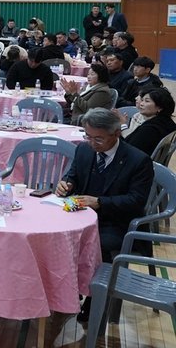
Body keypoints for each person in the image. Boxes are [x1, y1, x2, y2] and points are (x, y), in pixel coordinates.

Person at [57, 108, 154, 324]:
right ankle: (68, 291)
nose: (92, 143)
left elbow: (135, 201)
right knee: (56, 236)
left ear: (116, 133)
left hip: (117, 222)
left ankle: (94, 301)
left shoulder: (138, 160)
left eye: (98, 139)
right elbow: (73, 175)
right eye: (88, 136)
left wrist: (100, 202)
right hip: (81, 215)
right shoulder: (83, 149)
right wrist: (66, 184)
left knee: (97, 244)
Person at [123, 88, 176, 156]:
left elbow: (128, 150)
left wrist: (122, 125)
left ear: (160, 108)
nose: (141, 104)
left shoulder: (150, 129)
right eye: (142, 100)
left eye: (147, 101)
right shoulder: (168, 122)